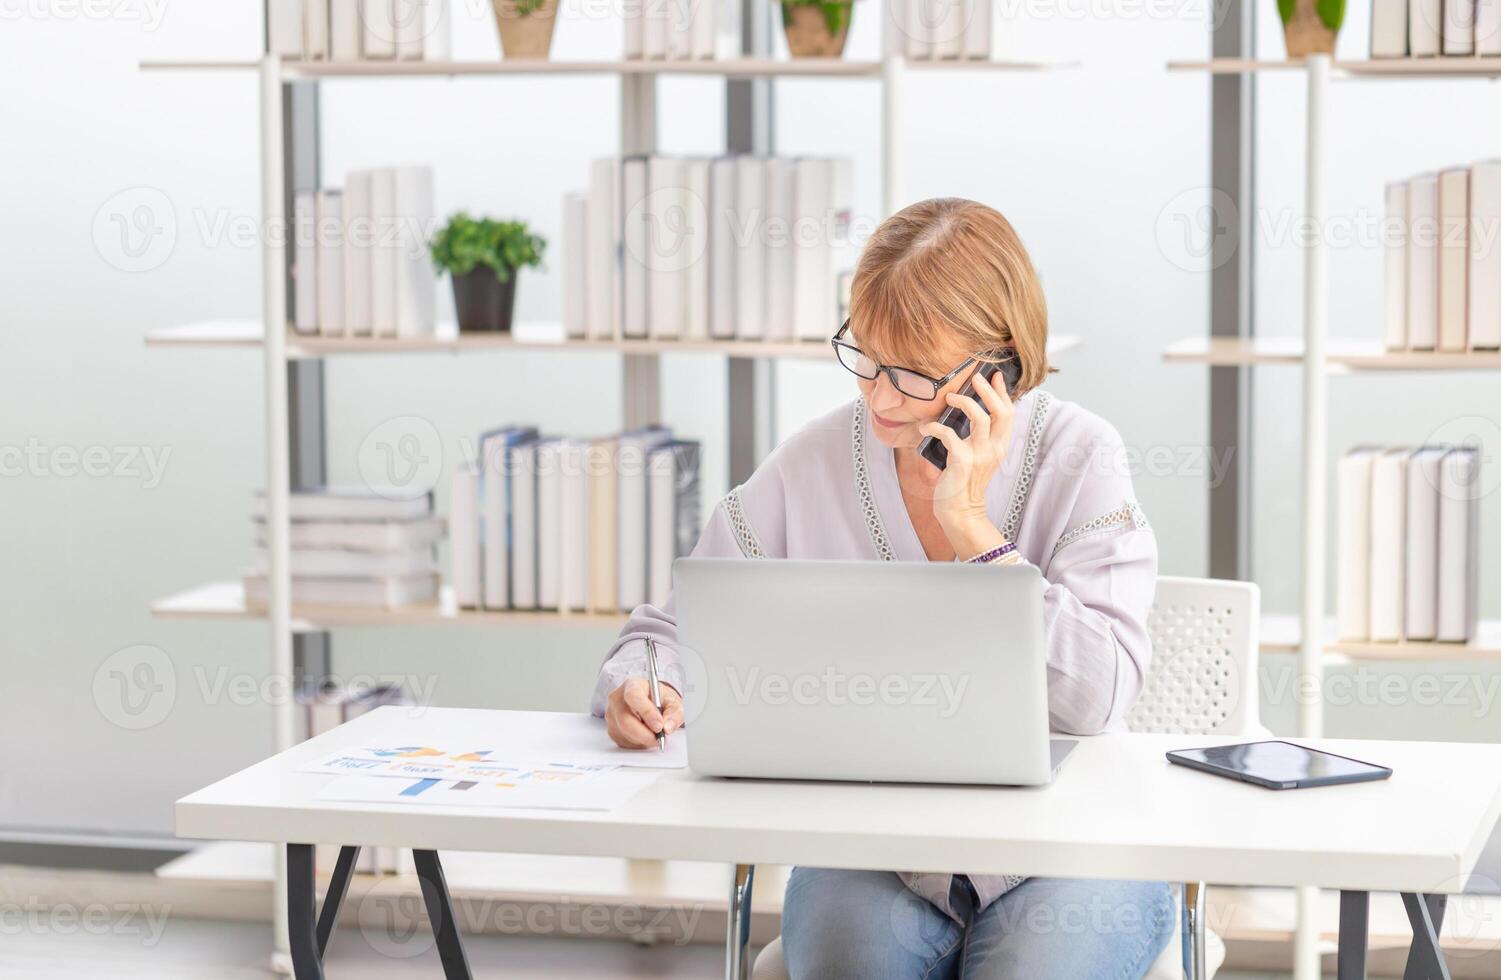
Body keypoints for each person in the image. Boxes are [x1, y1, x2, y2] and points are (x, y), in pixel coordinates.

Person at [590, 197, 1173, 978]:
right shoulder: (816, 460)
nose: (879, 398)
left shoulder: (1079, 457)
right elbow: (673, 626)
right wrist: (644, 683)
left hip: (1069, 847)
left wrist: (969, 525)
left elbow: (1092, 696)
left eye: (910, 372)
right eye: (863, 355)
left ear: (997, 368)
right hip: (875, 850)